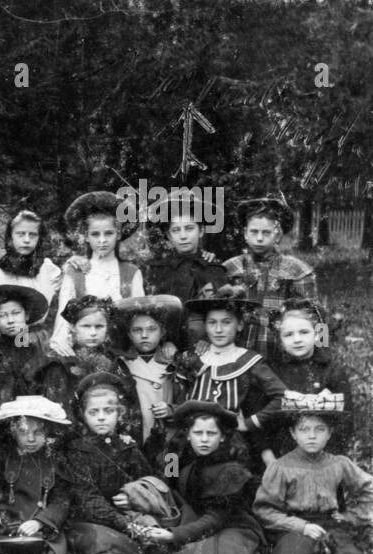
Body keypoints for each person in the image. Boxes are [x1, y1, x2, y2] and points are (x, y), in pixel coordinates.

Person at [147, 400, 269, 554]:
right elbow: (169, 483)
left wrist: (174, 534)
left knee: (226, 545)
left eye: (211, 434)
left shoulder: (232, 468)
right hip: (198, 520)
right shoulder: (180, 458)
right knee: (195, 548)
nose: (203, 440)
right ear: (188, 434)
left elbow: (217, 517)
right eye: (198, 433)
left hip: (235, 524)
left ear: (222, 437)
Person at [253, 394, 373, 554]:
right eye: (304, 430)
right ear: (293, 433)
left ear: (329, 434)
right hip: (294, 525)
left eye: (319, 430)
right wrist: (301, 526)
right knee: (294, 552)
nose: (312, 436)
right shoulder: (281, 467)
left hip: (330, 522)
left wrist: (352, 516)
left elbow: (368, 488)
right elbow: (264, 510)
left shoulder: (339, 464)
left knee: (347, 551)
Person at [60, 373, 165, 554]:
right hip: (90, 519)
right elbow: (87, 499)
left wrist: (134, 498)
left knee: (149, 535)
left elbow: (148, 481)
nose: (101, 418)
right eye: (93, 412)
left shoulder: (128, 447)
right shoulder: (77, 451)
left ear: (119, 414)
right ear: (83, 416)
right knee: (102, 542)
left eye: (108, 412)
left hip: (127, 515)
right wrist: (124, 524)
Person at [182, 296, 286, 465]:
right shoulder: (193, 359)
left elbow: (283, 396)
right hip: (193, 443)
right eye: (212, 323)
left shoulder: (249, 361)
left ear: (239, 325)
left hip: (231, 448)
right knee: (173, 470)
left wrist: (249, 423)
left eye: (226, 322)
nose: (218, 329)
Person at [0, 397, 72, 554]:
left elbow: (61, 500)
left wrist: (41, 521)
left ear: (48, 433)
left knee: (45, 550)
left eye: (38, 432)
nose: (31, 439)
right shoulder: (4, 460)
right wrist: (1, 516)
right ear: (13, 432)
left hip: (40, 525)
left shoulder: (55, 462)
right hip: (8, 522)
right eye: (23, 432)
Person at [50, 191, 145, 355]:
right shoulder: (76, 271)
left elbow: (139, 315)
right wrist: (59, 339)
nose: (102, 240)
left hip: (121, 349)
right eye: (95, 234)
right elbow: (63, 313)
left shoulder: (131, 272)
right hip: (84, 351)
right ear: (86, 236)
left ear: (118, 234)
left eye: (108, 233)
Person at [222, 197, 318, 357]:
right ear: (245, 234)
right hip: (236, 355)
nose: (259, 238)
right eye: (254, 232)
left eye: (266, 232)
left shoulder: (297, 271)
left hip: (281, 357)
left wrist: (320, 358)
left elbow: (315, 316)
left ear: (277, 235)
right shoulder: (230, 269)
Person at [262, 298, 351, 462]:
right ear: (280, 340)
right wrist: (270, 460)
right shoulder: (271, 371)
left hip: (325, 457)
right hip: (281, 455)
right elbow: (261, 420)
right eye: (288, 334)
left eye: (304, 332)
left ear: (317, 333)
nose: (297, 339)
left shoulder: (331, 370)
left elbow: (345, 421)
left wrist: (333, 462)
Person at [142, 189, 227, 344]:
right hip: (165, 347)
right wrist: (164, 343)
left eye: (189, 228)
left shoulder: (214, 270)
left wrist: (208, 341)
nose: (183, 236)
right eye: (176, 230)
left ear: (201, 231)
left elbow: (223, 313)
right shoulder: (156, 271)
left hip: (208, 347)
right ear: (169, 236)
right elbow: (149, 314)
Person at [110, 295, 185, 464]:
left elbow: (187, 402)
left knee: (169, 474)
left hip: (168, 438)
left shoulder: (175, 363)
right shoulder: (121, 364)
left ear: (163, 332)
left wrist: (171, 409)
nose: (145, 335)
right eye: (137, 330)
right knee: (137, 475)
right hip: (132, 437)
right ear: (129, 334)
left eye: (152, 329)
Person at [0, 284, 50, 382]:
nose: (10, 320)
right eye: (2, 315)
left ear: (26, 315)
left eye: (16, 313)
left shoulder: (39, 345)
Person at [0, 210, 62, 302]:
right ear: (10, 238)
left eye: (33, 235)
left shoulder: (49, 269)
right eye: (21, 234)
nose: (27, 240)